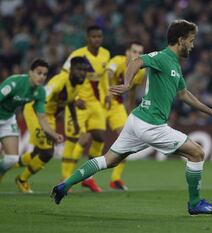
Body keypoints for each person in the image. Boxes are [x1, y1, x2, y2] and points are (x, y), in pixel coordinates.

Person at [51, 20, 212, 215]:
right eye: (191, 40)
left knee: (109, 160)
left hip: (136, 121)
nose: (193, 45)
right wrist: (127, 84)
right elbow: (136, 62)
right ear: (180, 40)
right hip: (151, 125)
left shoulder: (175, 66)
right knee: (197, 153)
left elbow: (183, 94)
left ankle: (64, 185)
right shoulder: (161, 57)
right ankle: (195, 203)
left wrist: (210, 111)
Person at [14, 57, 88, 193]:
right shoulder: (59, 81)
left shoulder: (79, 84)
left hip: (50, 116)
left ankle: (9, 166)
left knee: (38, 152)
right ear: (71, 69)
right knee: (47, 152)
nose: (82, 73)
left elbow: (70, 101)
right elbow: (42, 96)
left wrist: (76, 122)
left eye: (85, 70)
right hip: (36, 111)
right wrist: (43, 123)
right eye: (79, 69)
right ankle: (21, 179)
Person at [61, 25, 110, 192]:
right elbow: (64, 77)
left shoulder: (105, 54)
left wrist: (107, 94)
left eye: (99, 37)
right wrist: (73, 98)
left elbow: (103, 78)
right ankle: (66, 178)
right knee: (77, 139)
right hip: (79, 102)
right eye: (94, 37)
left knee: (99, 137)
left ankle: (88, 178)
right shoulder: (77, 55)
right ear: (87, 38)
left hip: (95, 103)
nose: (97, 39)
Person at [0, 59, 63, 181]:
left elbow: (42, 118)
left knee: (12, 160)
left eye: (44, 74)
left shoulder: (40, 92)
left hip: (8, 120)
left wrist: (54, 135)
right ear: (30, 72)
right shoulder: (14, 83)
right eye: (39, 73)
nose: (42, 77)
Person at [106, 41, 146, 191]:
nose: (137, 55)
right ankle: (67, 177)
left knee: (127, 136)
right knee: (87, 138)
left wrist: (130, 110)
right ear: (127, 52)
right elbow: (109, 73)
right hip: (99, 101)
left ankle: (115, 179)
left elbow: (132, 92)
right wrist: (110, 91)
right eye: (134, 51)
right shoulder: (117, 61)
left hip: (116, 105)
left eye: (140, 52)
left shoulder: (140, 71)